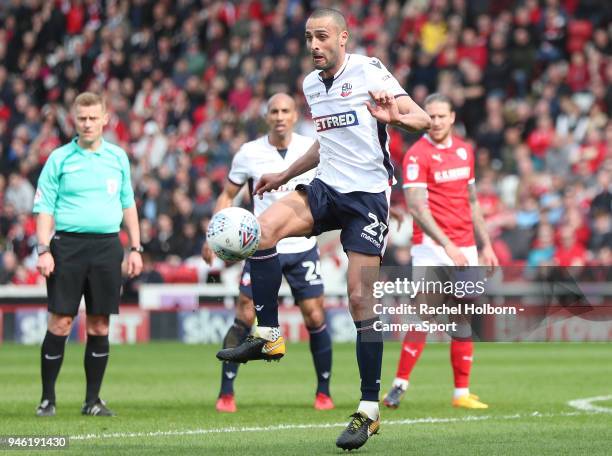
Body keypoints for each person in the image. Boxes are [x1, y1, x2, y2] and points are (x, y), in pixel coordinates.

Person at [216, 8, 431, 451]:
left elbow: (423, 120)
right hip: (325, 188)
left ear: (343, 38)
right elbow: (324, 142)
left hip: (368, 198)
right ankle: (269, 336)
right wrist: (284, 174)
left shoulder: (370, 71)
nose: (314, 45)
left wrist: (393, 118)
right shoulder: (312, 86)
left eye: (322, 37)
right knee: (260, 231)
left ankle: (368, 411)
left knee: (358, 299)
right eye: (309, 38)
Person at [203, 93, 334, 413]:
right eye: (273, 110)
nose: (279, 116)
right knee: (245, 314)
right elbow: (228, 194)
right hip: (263, 248)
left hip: (302, 247)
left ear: (294, 115)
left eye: (285, 111)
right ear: (266, 116)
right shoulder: (249, 152)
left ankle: (323, 392)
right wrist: (215, 231)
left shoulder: (311, 148)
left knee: (314, 315)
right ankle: (226, 393)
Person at [382, 93, 499, 411]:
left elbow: (472, 201)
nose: (435, 122)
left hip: (466, 246)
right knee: (424, 312)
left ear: (452, 118)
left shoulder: (465, 150)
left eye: (440, 116)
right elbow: (418, 209)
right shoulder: (417, 154)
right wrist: (447, 246)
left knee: (462, 318)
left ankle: (461, 393)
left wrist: (485, 244)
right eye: (430, 116)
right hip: (432, 247)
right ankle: (399, 386)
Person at [33, 92, 143, 417]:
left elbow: (128, 204)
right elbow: (43, 208)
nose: (88, 124)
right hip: (67, 246)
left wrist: (135, 247)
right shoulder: (59, 159)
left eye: (94, 118)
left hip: (108, 247)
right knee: (61, 322)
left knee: (99, 325)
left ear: (105, 119)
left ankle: (92, 401)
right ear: (74, 120)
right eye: (82, 118)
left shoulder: (118, 157)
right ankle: (47, 400)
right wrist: (42, 249)